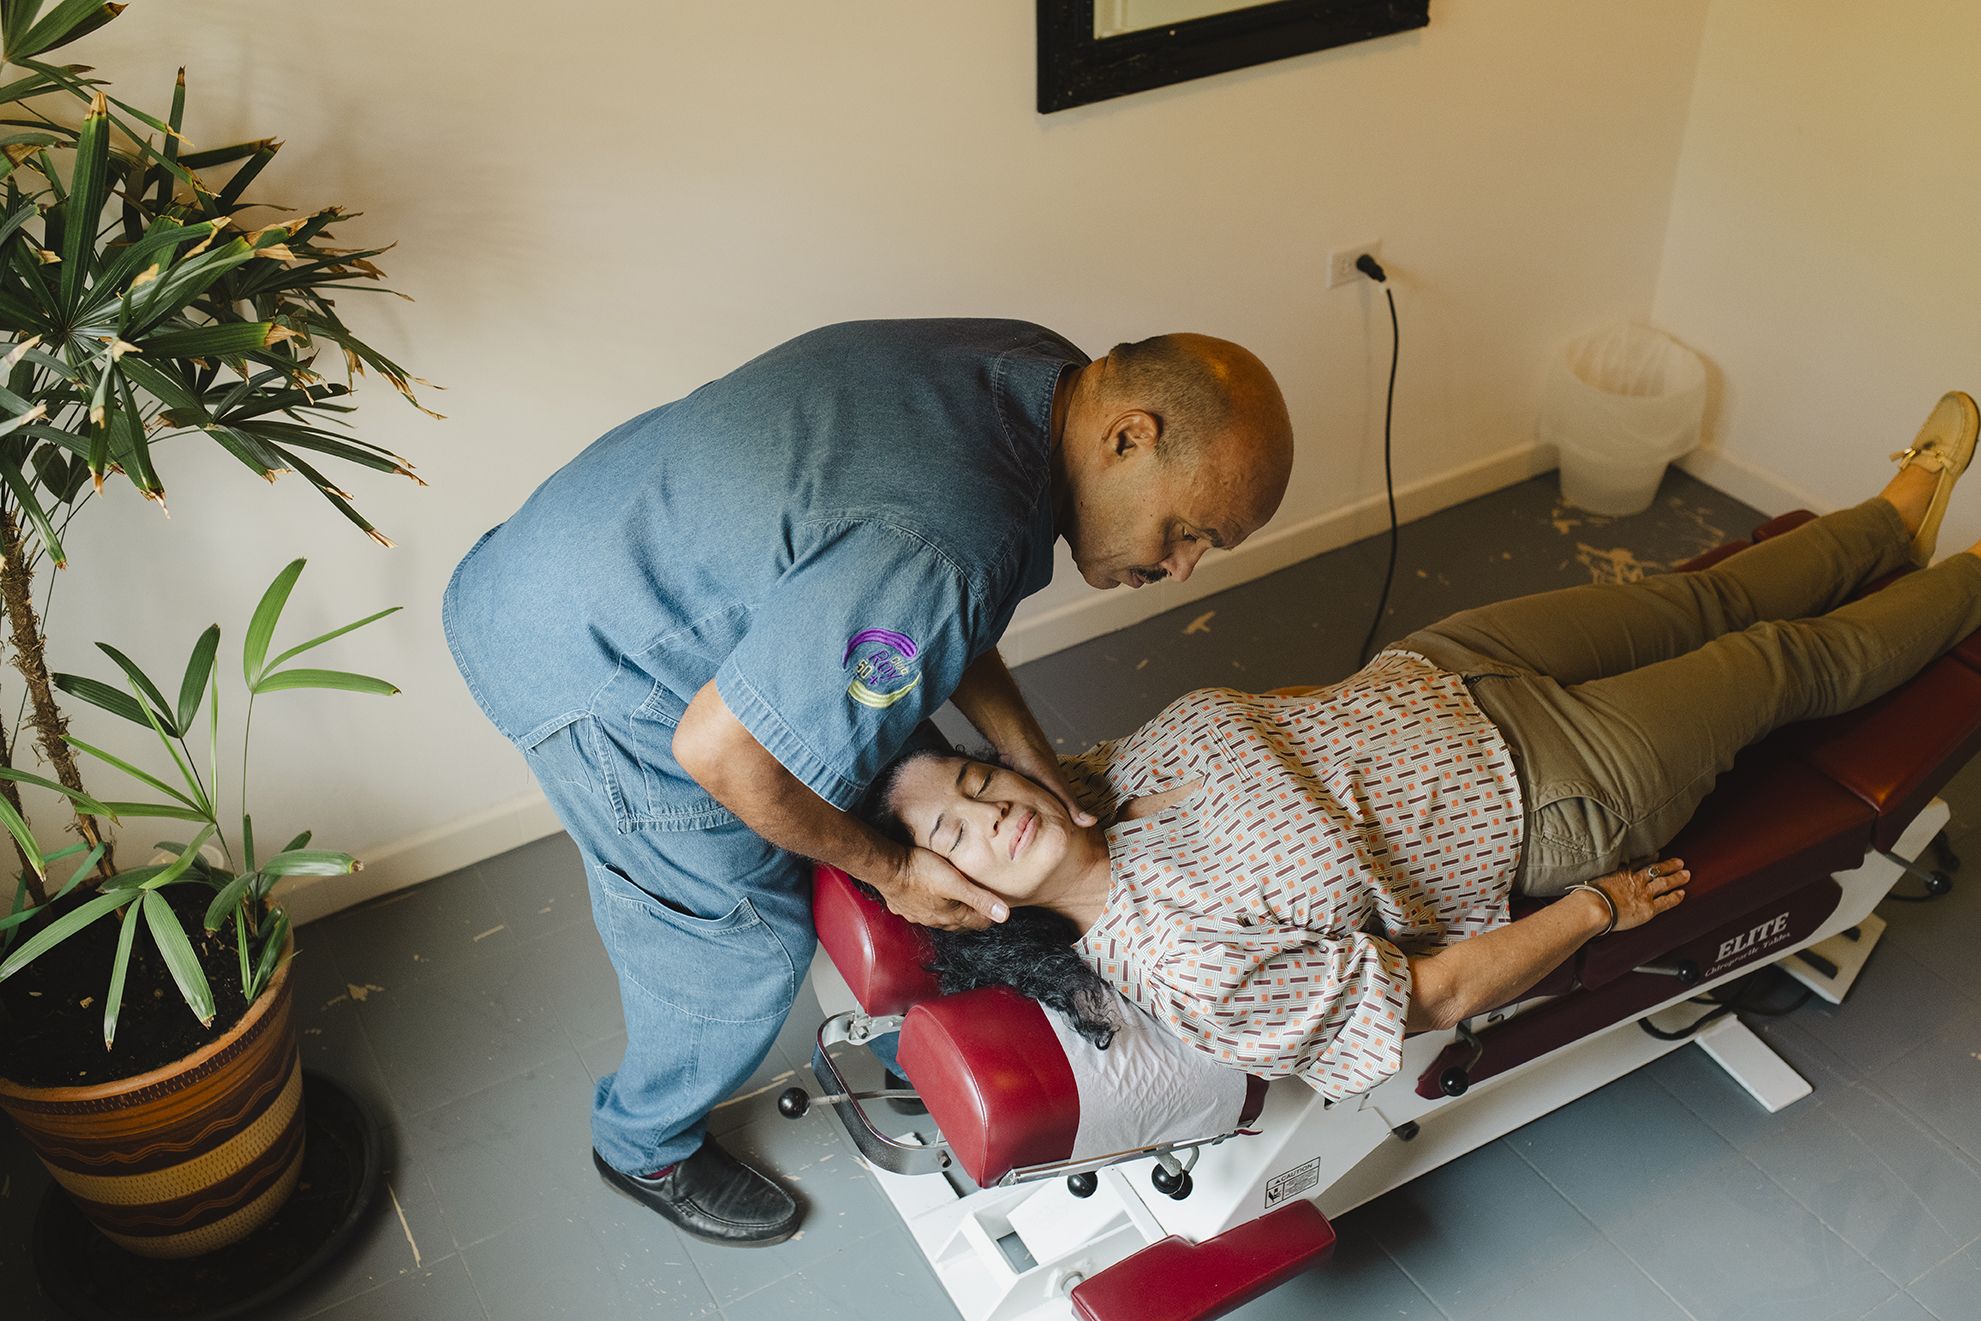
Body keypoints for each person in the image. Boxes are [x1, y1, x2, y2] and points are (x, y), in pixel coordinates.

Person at [441, 319, 1294, 1243]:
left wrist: (1025, 755)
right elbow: (721, 753)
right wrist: (894, 876)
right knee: (740, 938)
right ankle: (642, 1144)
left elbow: (942, 604)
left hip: (569, 549)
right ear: (1128, 436)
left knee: (891, 766)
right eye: (1189, 531)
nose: (1179, 567)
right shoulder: (956, 533)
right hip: (588, 668)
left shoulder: (1040, 372)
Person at [872, 392, 1981, 1101]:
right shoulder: (1182, 963)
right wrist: (1593, 910)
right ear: (969, 901)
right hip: (1554, 790)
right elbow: (1429, 997)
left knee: (1705, 597)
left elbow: (1270, 714)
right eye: (955, 837)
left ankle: (1891, 519)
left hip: (1449, 665)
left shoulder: (1088, 779)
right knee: (1781, 663)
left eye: (974, 778)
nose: (991, 811)